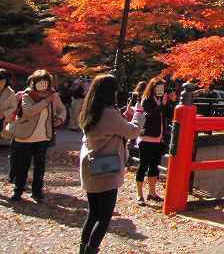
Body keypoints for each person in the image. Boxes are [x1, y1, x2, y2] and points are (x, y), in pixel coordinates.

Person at [79, 74, 144, 254]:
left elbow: (112, 126)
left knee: (93, 214)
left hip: (90, 164)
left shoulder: (91, 108)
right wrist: (138, 114)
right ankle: (91, 250)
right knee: (104, 216)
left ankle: (82, 250)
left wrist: (124, 116)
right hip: (105, 168)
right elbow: (132, 131)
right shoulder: (109, 113)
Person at [10, 69, 66, 201]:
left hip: (43, 137)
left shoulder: (54, 96)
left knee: (40, 166)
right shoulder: (27, 95)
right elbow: (29, 111)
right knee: (22, 166)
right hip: (24, 137)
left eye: (45, 82)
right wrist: (46, 101)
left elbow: (62, 109)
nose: (43, 85)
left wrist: (60, 119)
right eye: (40, 82)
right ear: (34, 82)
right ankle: (18, 190)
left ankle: (37, 192)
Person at [135, 77, 167, 205]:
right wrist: (161, 106)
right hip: (147, 137)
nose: (161, 90)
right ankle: (139, 194)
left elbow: (166, 115)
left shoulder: (160, 99)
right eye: (159, 87)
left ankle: (152, 192)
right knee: (143, 165)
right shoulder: (146, 100)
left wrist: (170, 103)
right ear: (153, 87)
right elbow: (149, 116)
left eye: (162, 87)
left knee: (154, 166)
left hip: (158, 137)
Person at [0, 68, 17, 183]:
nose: (1, 83)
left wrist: (4, 113)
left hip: (2, 121)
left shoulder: (10, 92)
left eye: (3, 81)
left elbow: (14, 107)